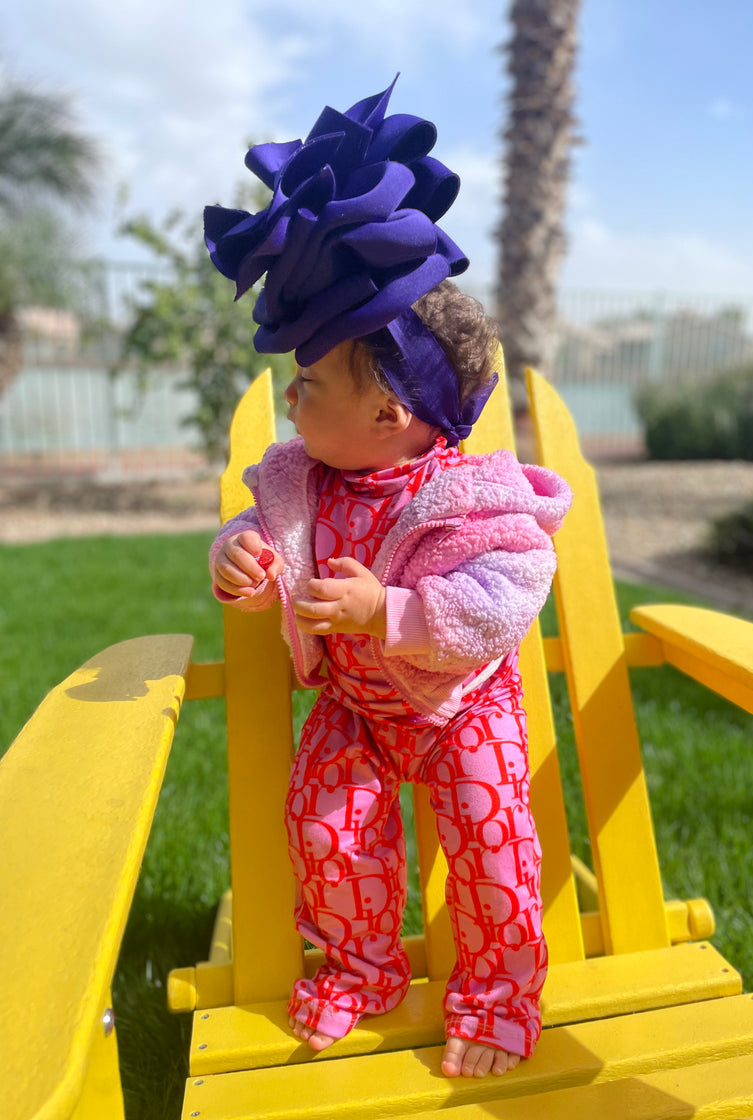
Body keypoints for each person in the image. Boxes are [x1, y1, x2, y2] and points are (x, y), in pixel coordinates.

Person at [205, 79, 572, 1080]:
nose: (292, 399)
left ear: (389, 413)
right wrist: (241, 561)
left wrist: (390, 610)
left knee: (493, 840)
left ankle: (499, 996)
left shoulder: (474, 497)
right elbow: (262, 538)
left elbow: (507, 594)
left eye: (310, 382)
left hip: (461, 703)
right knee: (327, 828)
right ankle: (361, 969)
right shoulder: (302, 481)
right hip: (359, 706)